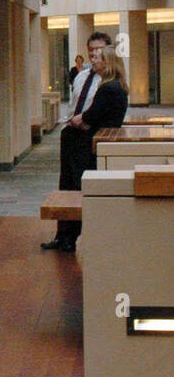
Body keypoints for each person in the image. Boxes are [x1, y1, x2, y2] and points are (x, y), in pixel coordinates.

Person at [50, 45, 129, 252]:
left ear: (107, 62)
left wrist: (81, 119)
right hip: (85, 140)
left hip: (84, 144)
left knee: (74, 186)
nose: (92, 60)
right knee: (69, 184)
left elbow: (90, 116)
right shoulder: (115, 85)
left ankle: (68, 236)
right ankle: (64, 235)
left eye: (98, 57)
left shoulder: (107, 88)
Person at [42, 32, 111, 252]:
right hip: (70, 134)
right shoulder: (81, 76)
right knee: (66, 184)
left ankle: (80, 237)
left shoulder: (109, 79)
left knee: (82, 187)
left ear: (108, 49)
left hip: (89, 138)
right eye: (91, 49)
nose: (93, 53)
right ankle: (63, 236)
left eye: (98, 49)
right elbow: (73, 106)